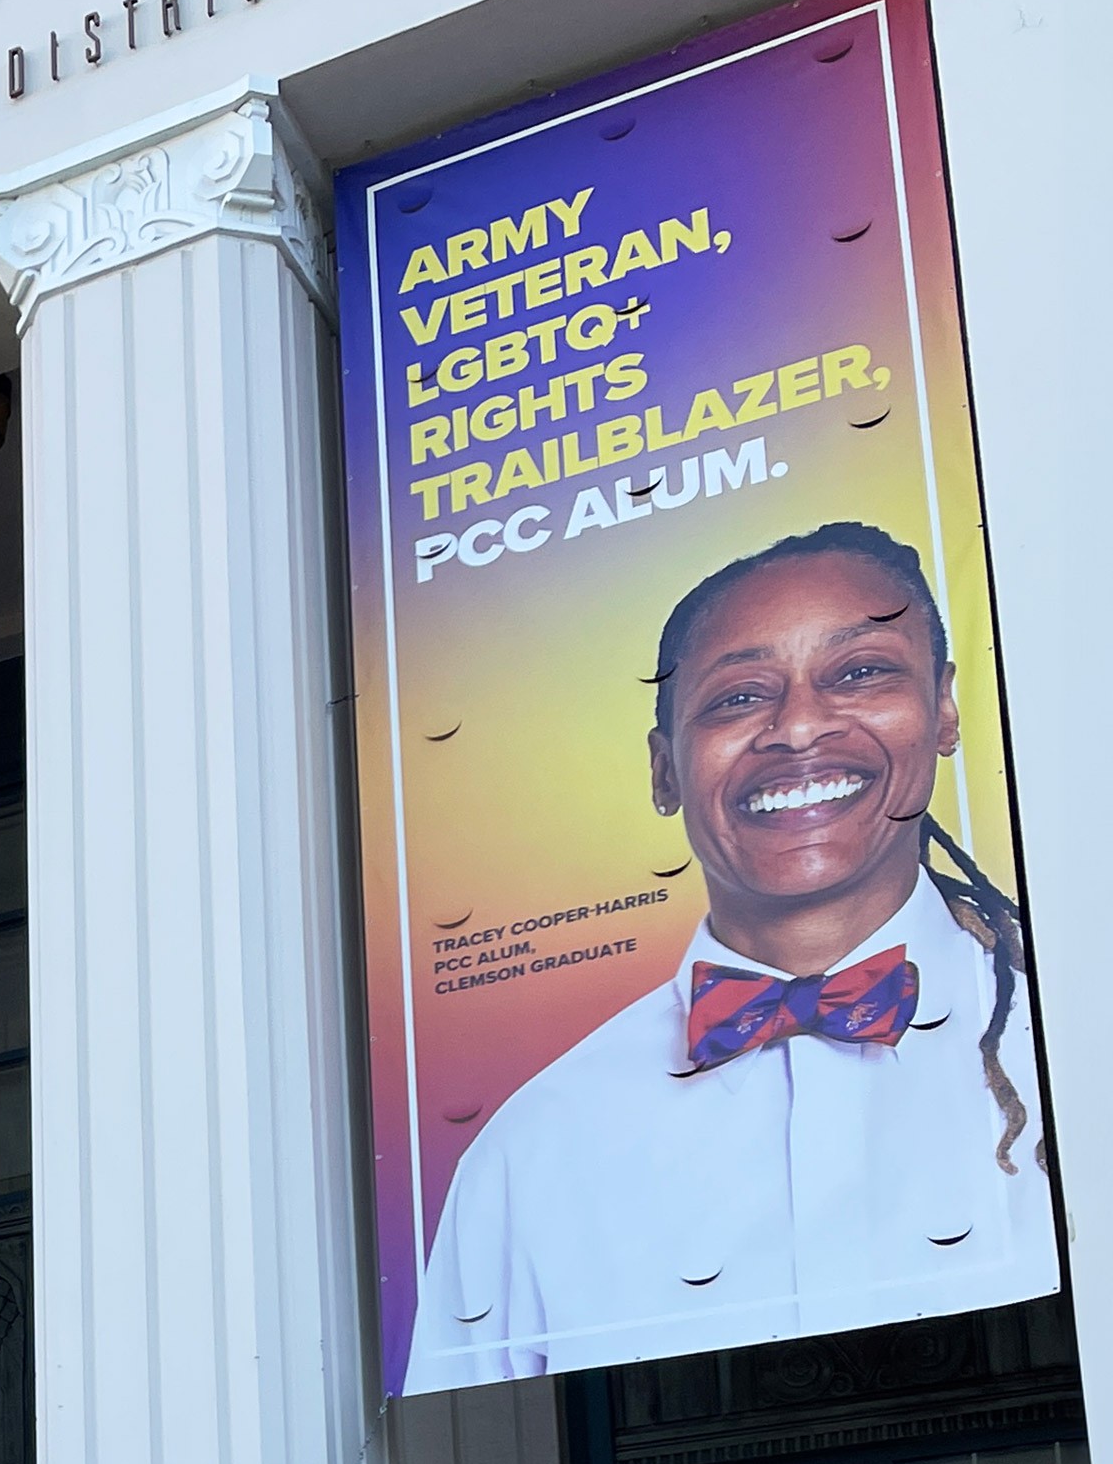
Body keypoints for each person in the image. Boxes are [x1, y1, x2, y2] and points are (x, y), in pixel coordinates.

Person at [406, 523, 1057, 1390]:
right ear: (664, 770)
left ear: (943, 708)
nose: (798, 728)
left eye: (860, 672)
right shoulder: (530, 1153)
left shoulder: (1075, 1050)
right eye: (738, 697)